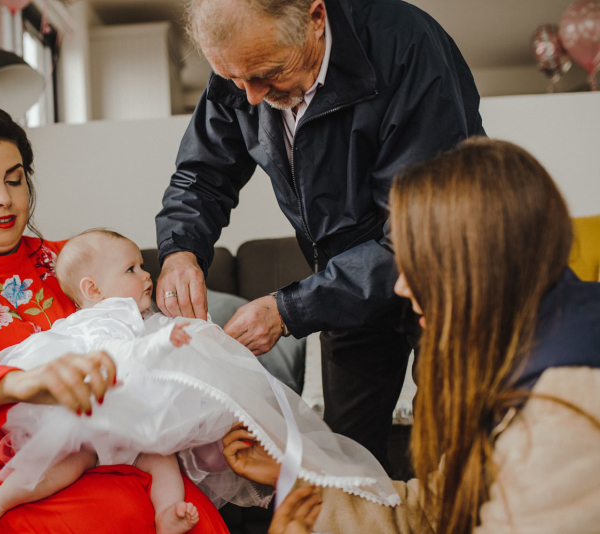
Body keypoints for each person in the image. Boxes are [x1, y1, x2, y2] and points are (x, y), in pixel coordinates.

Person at [155, 0, 484, 469]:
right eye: (234, 80)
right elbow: (202, 176)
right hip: (343, 291)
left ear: (315, 18)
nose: (251, 97)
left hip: (442, 281)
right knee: (346, 459)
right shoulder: (243, 65)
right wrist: (180, 250)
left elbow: (418, 236)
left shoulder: (406, 46)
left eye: (268, 73)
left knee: (452, 450)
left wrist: (289, 309)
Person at [0, 106, 230, 534]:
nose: (4, 198)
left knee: (191, 515)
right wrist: (19, 383)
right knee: (121, 517)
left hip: (97, 447)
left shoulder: (68, 262)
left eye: (14, 180)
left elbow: (143, 337)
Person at [221, 139, 600, 534]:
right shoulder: (515, 355)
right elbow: (433, 511)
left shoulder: (564, 414)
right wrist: (295, 476)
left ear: (476, 267)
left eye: (416, 262)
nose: (401, 287)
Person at [0, 229, 401, 534]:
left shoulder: (138, 315)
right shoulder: (102, 318)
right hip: (92, 411)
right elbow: (116, 357)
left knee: (162, 462)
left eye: (143, 266)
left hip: (132, 423)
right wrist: (161, 343)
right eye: (132, 268)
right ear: (92, 289)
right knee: (68, 461)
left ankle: (168, 515)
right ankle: (2, 499)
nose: (146, 275)